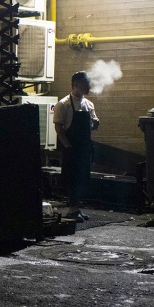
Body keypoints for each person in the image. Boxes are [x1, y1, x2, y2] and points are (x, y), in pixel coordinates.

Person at [53, 71, 100, 222]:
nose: (89, 86)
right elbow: (59, 128)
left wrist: (95, 123)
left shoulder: (89, 104)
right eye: (87, 83)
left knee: (82, 178)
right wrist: (67, 146)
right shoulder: (63, 104)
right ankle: (72, 209)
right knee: (72, 178)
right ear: (77, 84)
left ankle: (76, 208)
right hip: (71, 147)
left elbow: (91, 126)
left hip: (84, 147)